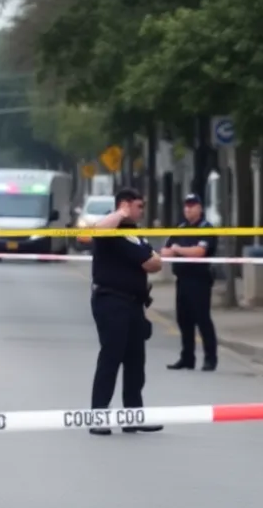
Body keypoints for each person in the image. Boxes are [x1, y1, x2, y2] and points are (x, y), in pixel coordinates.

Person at [88, 187, 164, 436]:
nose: (142, 211)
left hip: (134, 304)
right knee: (111, 357)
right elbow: (98, 231)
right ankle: (98, 416)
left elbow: (155, 262)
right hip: (111, 301)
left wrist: (148, 259)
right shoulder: (109, 231)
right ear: (125, 205)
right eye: (138, 206)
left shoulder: (133, 234)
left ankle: (133, 415)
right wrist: (120, 213)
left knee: (135, 361)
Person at [162, 193, 218, 372]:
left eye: (192, 205)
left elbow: (199, 251)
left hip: (199, 280)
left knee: (202, 320)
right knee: (183, 320)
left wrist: (178, 250)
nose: (188, 209)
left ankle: (210, 359)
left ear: (200, 208)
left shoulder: (206, 228)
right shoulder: (181, 228)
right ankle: (187, 358)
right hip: (182, 279)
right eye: (186, 205)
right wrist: (178, 250)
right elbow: (165, 250)